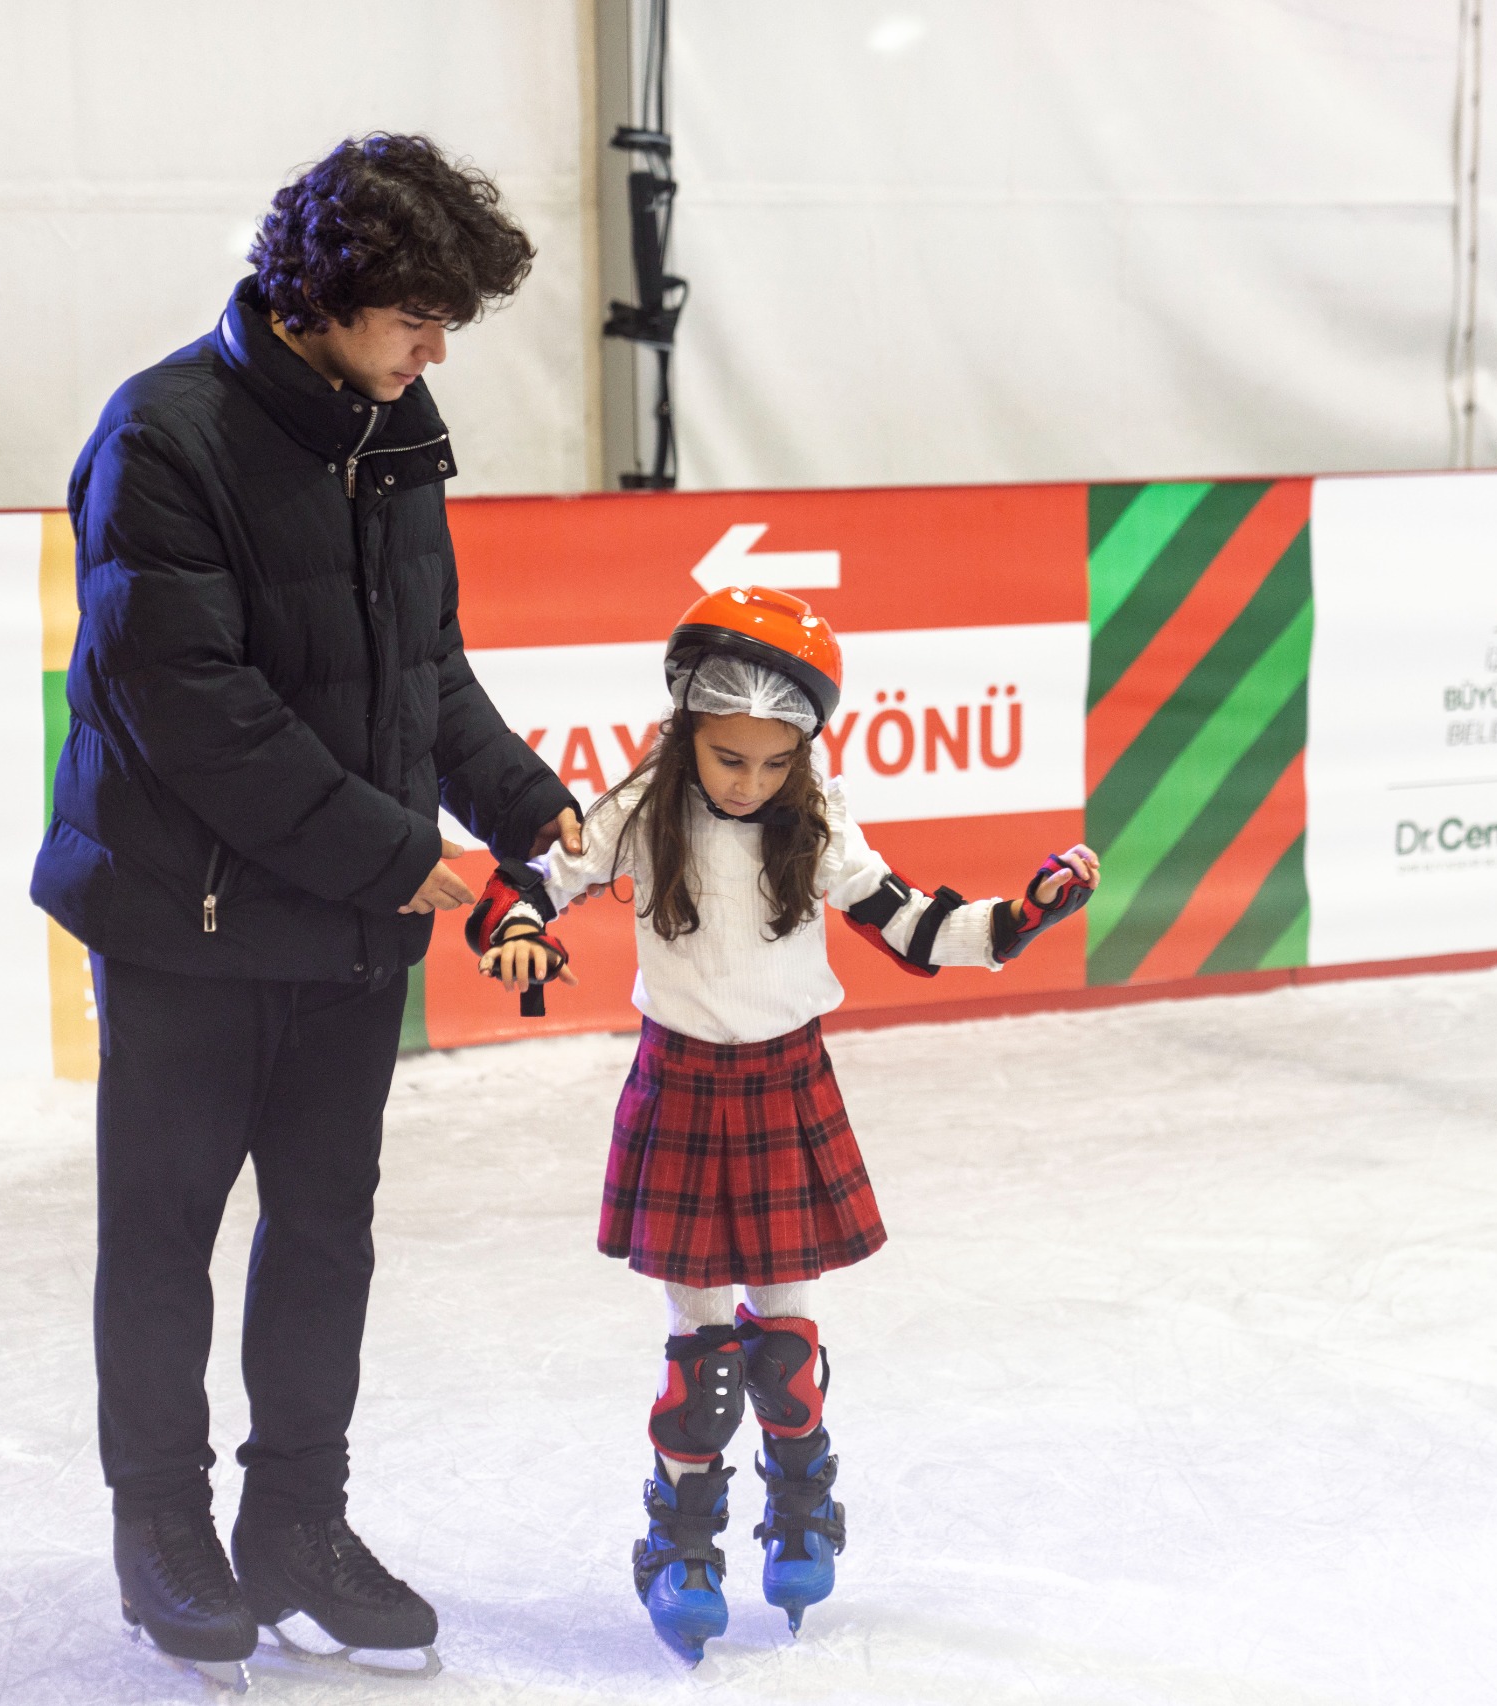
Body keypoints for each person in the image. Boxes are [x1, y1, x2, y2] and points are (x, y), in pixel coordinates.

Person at [30, 133, 580, 1685]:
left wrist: (527, 800)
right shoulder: (165, 436)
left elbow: (424, 669)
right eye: (417, 314)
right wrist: (390, 850)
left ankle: (297, 1525)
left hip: (345, 932)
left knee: (326, 1234)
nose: (437, 347)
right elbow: (185, 705)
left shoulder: (393, 428)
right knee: (165, 1236)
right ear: (321, 297)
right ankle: (164, 1527)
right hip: (187, 924)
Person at [466, 585, 1099, 1664]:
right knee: (703, 1361)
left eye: (772, 761)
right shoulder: (637, 807)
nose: (750, 780)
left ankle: (803, 1503)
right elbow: (529, 876)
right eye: (727, 757)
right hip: (681, 1084)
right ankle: (681, 1541)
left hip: (785, 1082)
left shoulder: (819, 816)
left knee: (787, 1356)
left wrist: (1021, 916)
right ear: (686, 730)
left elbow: (912, 922)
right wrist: (515, 924)